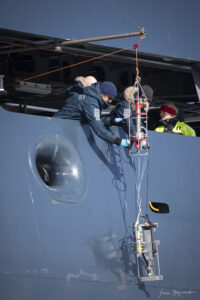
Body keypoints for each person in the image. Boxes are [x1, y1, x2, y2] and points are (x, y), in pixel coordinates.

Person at [53, 80, 130, 147]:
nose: (111, 101)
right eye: (109, 98)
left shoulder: (94, 98)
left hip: (66, 127)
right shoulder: (91, 103)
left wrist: (113, 121)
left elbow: (96, 119)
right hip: (57, 128)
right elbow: (97, 127)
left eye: (112, 99)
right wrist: (118, 140)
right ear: (102, 94)